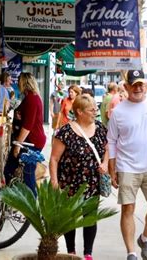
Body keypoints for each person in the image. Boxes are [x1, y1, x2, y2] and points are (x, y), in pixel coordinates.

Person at [107, 69, 147, 260]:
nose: (138, 88)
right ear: (126, 87)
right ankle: (131, 252)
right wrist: (112, 167)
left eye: (141, 84)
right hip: (127, 166)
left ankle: (145, 238)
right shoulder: (118, 112)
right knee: (128, 208)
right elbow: (111, 140)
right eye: (134, 84)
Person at [49, 94, 109, 260]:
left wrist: (105, 163)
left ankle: (88, 253)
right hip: (69, 182)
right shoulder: (66, 132)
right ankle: (71, 252)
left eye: (96, 109)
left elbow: (107, 148)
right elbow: (54, 159)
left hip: (92, 182)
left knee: (90, 218)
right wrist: (54, 181)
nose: (95, 112)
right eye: (92, 110)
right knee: (69, 217)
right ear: (79, 112)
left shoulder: (100, 128)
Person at [4, 72, 46, 196]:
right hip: (29, 141)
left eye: (19, 81)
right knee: (21, 172)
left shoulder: (32, 99)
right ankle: (19, 200)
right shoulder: (30, 98)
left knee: (26, 174)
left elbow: (28, 125)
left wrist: (18, 144)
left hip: (30, 142)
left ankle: (32, 206)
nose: (17, 84)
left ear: (24, 83)